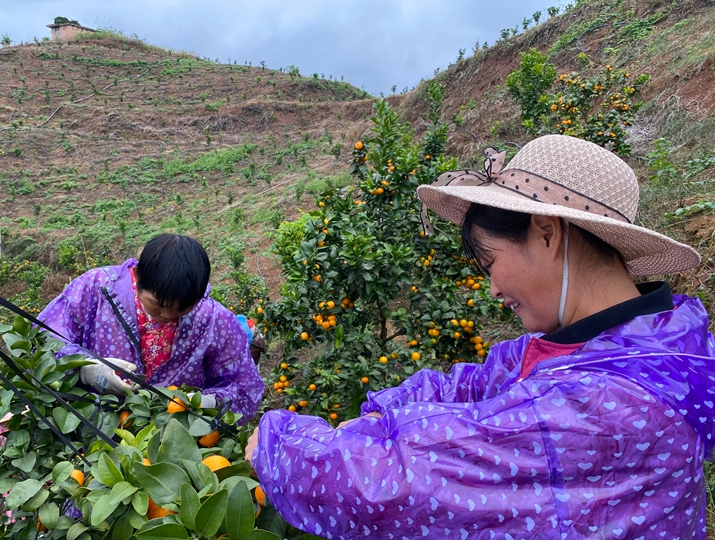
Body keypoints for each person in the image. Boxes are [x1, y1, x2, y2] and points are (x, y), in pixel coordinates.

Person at [247, 135, 715, 539]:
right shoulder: (638, 344)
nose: (492, 291)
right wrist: (375, 416)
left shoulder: (610, 400)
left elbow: (394, 485)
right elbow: (477, 382)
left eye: (490, 264)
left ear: (547, 234)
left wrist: (279, 448)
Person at [38, 234, 264, 421]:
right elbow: (43, 338)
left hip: (170, 442)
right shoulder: (96, 289)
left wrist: (208, 402)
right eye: (157, 305)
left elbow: (244, 388)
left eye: (180, 310)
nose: (166, 316)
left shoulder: (213, 318)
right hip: (88, 424)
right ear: (137, 277)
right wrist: (84, 367)